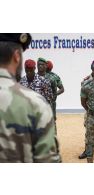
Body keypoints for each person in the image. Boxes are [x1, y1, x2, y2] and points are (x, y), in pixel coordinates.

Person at [0, 33, 61, 162]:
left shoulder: (42, 86)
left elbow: (52, 95)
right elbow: (47, 159)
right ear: (17, 56)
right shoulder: (36, 105)